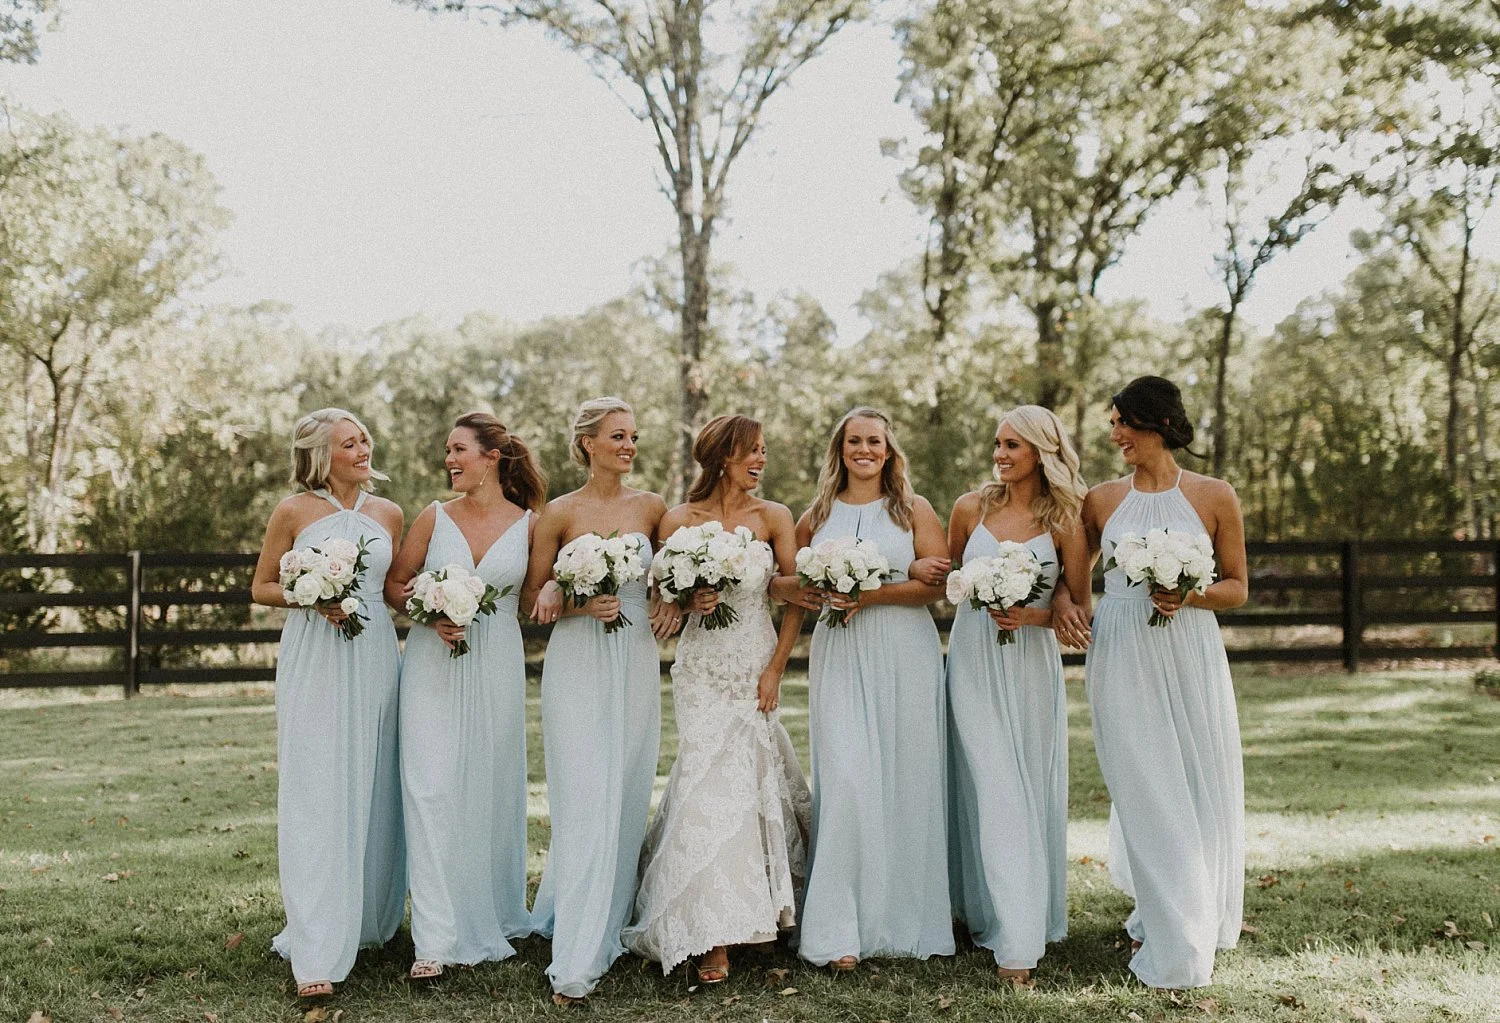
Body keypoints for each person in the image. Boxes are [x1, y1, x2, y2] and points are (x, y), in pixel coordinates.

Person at [1053, 375, 1248, 989]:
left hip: (1190, 650)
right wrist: (1062, 603)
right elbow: (1072, 579)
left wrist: (1189, 594)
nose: (1116, 435)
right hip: (1122, 647)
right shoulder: (1100, 500)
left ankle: (1185, 914)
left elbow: (1237, 588)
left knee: (1193, 775)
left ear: (1158, 424)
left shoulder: (1214, 495)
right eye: (1112, 424)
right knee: (1141, 778)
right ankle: (1167, 915)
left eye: (1124, 423)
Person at [623, 415, 811, 983]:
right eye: (752, 451)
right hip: (701, 666)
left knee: (748, 778)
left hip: (754, 661)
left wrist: (775, 669)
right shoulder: (679, 521)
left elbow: (794, 596)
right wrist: (688, 599)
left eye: (764, 451)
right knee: (706, 780)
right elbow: (663, 603)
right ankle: (712, 929)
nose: (761, 460)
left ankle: (756, 911)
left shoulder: (774, 516)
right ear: (723, 456)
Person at [781, 407, 954, 970]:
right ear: (840, 450)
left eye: (874, 441)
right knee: (847, 779)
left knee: (907, 777)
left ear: (888, 449)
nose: (864, 450)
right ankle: (838, 929)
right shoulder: (816, 515)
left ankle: (904, 921)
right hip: (840, 651)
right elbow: (793, 585)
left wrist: (871, 594)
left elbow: (935, 587)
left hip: (905, 652)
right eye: (854, 441)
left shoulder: (913, 509)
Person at [249, 408, 406, 1000]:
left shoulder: (388, 514)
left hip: (374, 656)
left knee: (373, 783)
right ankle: (316, 945)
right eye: (349, 443)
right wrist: (309, 596)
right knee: (316, 787)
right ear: (321, 455)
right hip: (314, 655)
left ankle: (365, 919)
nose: (363, 450)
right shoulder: (293, 511)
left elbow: (392, 590)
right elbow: (262, 586)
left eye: (364, 439)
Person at [385, 412, 546, 980]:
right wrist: (429, 611)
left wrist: (568, 588)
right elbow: (394, 584)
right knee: (429, 788)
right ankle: (433, 939)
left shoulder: (530, 525)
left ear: (491, 458)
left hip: (495, 663)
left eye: (458, 450)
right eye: (448, 451)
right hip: (431, 665)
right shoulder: (434, 517)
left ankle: (487, 912)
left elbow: (534, 599)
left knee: (485, 789)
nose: (449, 460)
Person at [525, 397, 667, 1005]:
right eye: (617, 436)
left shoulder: (653, 508)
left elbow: (672, 581)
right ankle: (580, 945)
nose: (629, 446)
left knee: (627, 787)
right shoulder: (558, 513)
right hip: (577, 661)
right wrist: (575, 602)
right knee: (583, 791)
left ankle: (612, 908)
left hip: (634, 658)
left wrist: (669, 600)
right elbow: (531, 599)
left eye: (633, 436)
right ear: (587, 443)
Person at [945, 406, 1090, 984]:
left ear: (1041, 453)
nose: (999, 454)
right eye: (997, 444)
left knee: (1024, 787)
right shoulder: (969, 509)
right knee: (992, 785)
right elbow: (953, 581)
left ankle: (1023, 916)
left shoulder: (1066, 520)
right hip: (973, 660)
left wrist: (1034, 613)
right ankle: (1013, 938)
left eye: (1012, 445)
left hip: (1030, 666)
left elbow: (1077, 605)